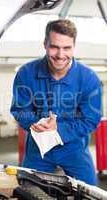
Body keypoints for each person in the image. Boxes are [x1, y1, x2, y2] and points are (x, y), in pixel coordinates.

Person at [10, 19, 102, 185]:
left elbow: (90, 120)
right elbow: (19, 109)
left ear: (74, 46)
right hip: (38, 148)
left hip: (74, 147)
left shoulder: (89, 79)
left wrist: (59, 129)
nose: (60, 55)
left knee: (91, 191)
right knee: (27, 188)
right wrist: (35, 124)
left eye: (67, 48)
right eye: (54, 47)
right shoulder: (26, 73)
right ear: (45, 44)